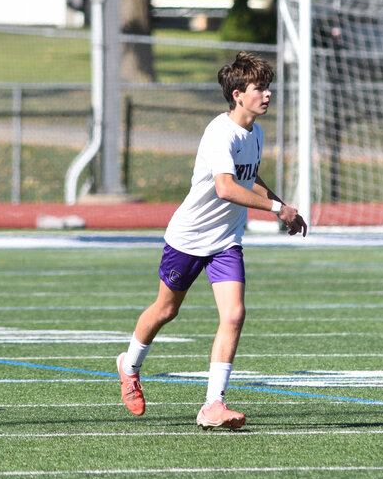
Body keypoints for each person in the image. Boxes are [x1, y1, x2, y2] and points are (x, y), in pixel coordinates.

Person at [116, 52, 307, 430]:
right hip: (188, 238)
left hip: (225, 241)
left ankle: (212, 405)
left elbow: (248, 177)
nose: (267, 95)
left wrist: (283, 206)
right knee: (166, 311)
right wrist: (274, 209)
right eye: (259, 89)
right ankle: (129, 364)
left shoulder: (256, 132)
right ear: (238, 94)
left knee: (234, 314)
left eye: (268, 88)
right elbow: (225, 188)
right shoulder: (220, 132)